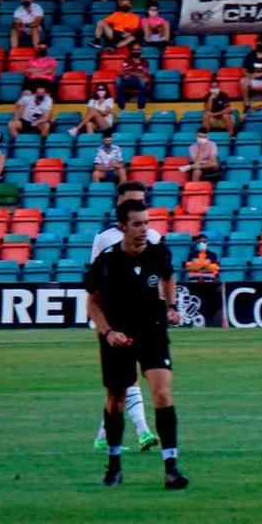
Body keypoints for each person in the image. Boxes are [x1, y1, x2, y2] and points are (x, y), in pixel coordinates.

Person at [85, 199, 188, 488]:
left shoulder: (158, 253)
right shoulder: (106, 262)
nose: (144, 229)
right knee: (116, 399)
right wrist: (107, 333)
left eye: (147, 222)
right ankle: (114, 464)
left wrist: (170, 305)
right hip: (118, 336)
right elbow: (92, 304)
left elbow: (169, 277)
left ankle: (171, 468)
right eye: (137, 224)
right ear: (122, 227)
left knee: (162, 394)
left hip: (152, 331)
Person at [88, 183, 164, 456]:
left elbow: (158, 276)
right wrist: (102, 325)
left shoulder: (153, 236)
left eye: (140, 201)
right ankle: (143, 431)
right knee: (124, 381)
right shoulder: (105, 238)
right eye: (130, 201)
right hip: (113, 321)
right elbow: (94, 281)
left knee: (122, 386)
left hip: (144, 319)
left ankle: (103, 435)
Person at [115, 44, 151, 110]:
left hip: (138, 80)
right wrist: (134, 73)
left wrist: (129, 72)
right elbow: (122, 72)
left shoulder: (144, 61)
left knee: (142, 81)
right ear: (131, 51)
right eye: (134, 50)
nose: (136, 51)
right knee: (118, 80)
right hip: (128, 80)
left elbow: (142, 75)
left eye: (138, 50)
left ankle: (141, 107)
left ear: (140, 51)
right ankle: (121, 107)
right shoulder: (127, 60)